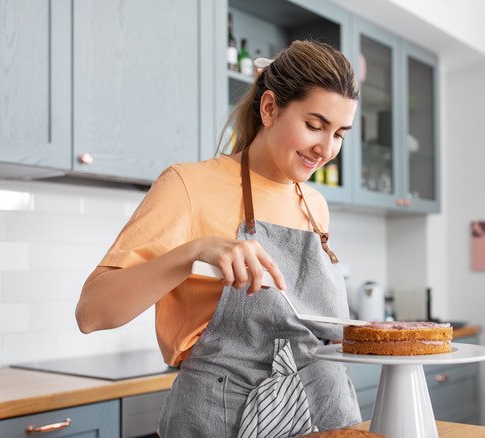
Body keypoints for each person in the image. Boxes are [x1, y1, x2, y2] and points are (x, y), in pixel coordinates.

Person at [75, 40, 362, 437]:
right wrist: (194, 251)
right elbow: (91, 313)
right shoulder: (188, 185)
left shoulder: (314, 203)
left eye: (340, 134)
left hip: (322, 415)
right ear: (269, 109)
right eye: (315, 126)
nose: (327, 149)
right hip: (222, 417)